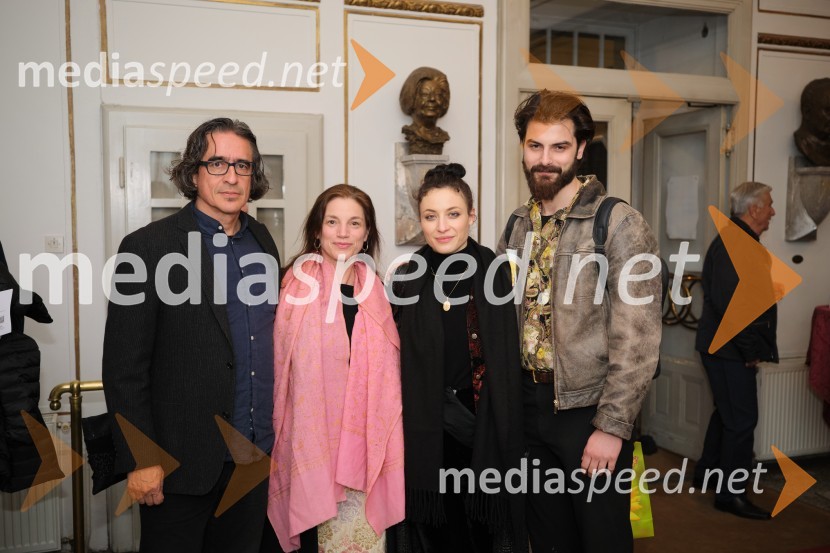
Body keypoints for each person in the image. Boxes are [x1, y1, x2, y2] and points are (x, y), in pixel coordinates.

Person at [102, 117, 281, 553]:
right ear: (193, 171)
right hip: (178, 464)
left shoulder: (262, 241)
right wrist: (142, 459)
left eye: (243, 165)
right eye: (217, 163)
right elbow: (124, 369)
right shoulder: (147, 248)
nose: (232, 176)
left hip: (252, 458)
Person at [497, 90, 661, 553]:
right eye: (534, 146)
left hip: (588, 412)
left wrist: (612, 427)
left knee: (601, 538)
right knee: (547, 539)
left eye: (559, 147)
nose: (544, 160)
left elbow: (639, 339)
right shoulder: (517, 224)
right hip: (529, 408)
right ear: (522, 148)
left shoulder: (619, 222)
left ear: (581, 149)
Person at [392, 163, 525, 552]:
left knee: (483, 532)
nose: (442, 226)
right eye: (430, 216)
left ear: (471, 215)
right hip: (428, 423)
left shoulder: (498, 272)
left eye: (453, 214)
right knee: (439, 532)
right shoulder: (406, 276)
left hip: (484, 422)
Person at [266, 185, 405, 552]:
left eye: (354, 223)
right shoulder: (288, 286)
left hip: (363, 451)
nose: (343, 232)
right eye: (332, 222)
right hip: (309, 446)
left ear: (366, 233)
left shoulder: (377, 291)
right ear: (317, 230)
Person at [694, 181, 778, 520]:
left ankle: (708, 473)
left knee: (727, 414)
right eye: (769, 204)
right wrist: (749, 351)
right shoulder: (736, 243)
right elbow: (734, 307)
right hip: (730, 349)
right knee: (742, 421)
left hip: (725, 347)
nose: (772, 210)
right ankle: (730, 495)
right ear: (754, 209)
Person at [399, 67, 451, 155]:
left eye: (438, 94)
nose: (432, 99)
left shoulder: (442, 136)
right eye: (425, 94)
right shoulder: (412, 134)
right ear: (412, 99)